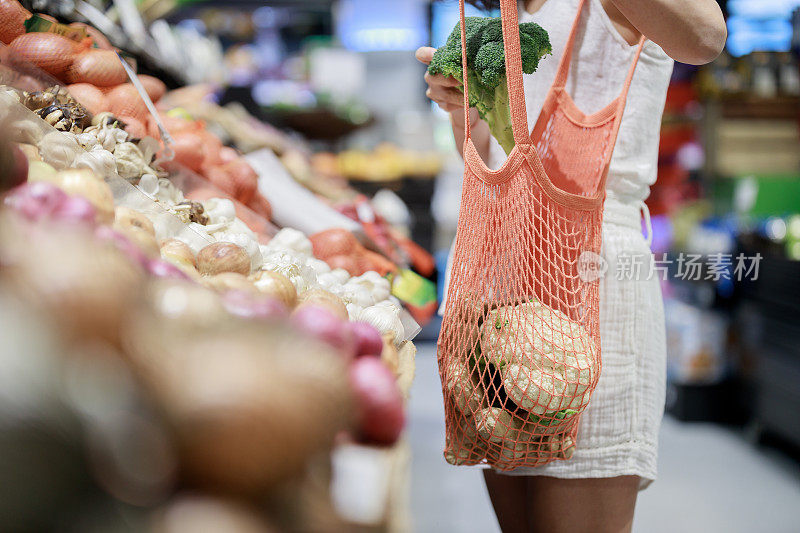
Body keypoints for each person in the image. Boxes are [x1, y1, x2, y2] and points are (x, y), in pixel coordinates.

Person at [416, 1, 726, 532]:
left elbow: (705, 35)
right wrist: (466, 115)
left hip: (595, 279)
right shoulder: (510, 9)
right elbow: (501, 163)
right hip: (504, 284)